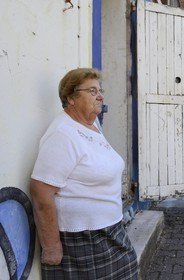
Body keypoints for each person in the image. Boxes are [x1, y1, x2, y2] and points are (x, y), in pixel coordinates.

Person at [30, 68, 138, 279]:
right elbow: (40, 192)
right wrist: (51, 247)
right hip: (83, 239)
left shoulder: (92, 125)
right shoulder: (63, 133)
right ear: (71, 98)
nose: (100, 95)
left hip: (111, 230)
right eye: (91, 90)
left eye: (100, 90)